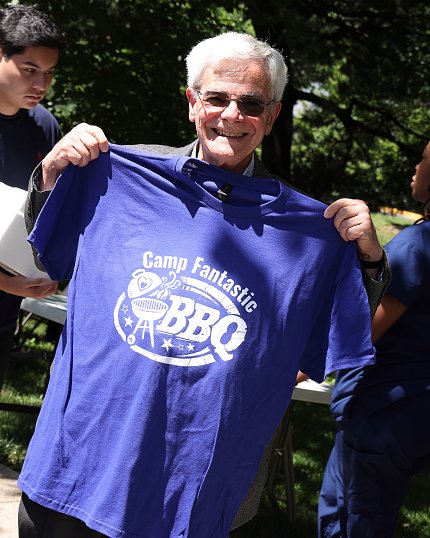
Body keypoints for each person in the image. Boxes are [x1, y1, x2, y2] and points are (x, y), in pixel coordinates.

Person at [19, 32, 387, 538]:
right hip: (76, 469)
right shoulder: (112, 175)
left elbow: (333, 337)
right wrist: (50, 176)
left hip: (193, 497)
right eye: (217, 97)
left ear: (272, 115)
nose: (231, 115)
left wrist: (367, 260)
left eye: (251, 103)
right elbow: (43, 256)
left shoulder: (310, 233)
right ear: (193, 101)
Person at [318, 141, 430, 538]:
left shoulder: (418, 244)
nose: (415, 168)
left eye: (424, 159)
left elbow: (364, 331)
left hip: (382, 412)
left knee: (350, 522)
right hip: (414, 416)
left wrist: (294, 368)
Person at [0, 5, 65, 390]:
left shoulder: (45, 126)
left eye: (49, 73)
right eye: (30, 70)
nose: (41, 83)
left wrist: (49, 268)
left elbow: (47, 213)